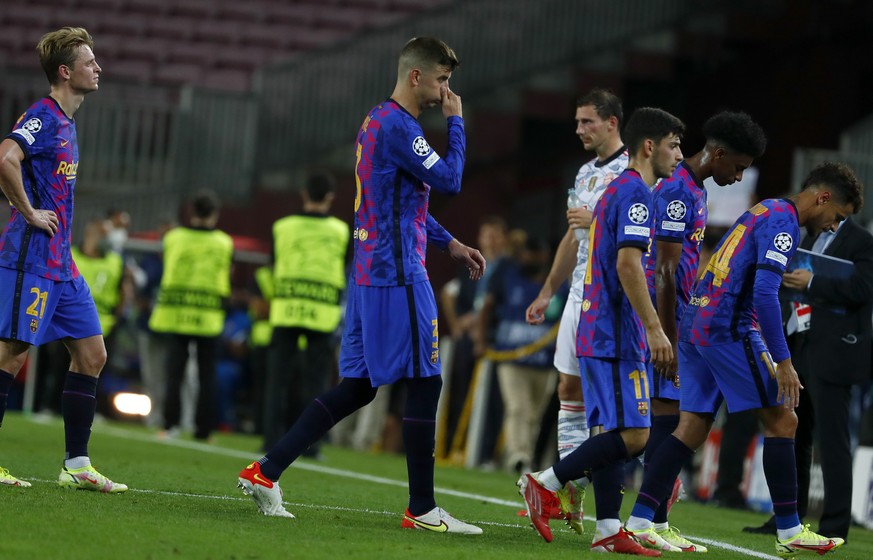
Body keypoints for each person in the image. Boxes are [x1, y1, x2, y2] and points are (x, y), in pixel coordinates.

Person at [236, 36, 486, 534]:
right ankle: (422, 508)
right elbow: (452, 179)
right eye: (442, 79)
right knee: (425, 379)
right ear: (416, 76)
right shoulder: (400, 126)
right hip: (397, 273)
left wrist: (450, 242)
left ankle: (265, 471)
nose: (446, 89)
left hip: (370, 272)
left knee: (359, 386)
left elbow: (400, 205)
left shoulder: (376, 122)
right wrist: (457, 123)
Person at [622, 162, 861, 557]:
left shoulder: (765, 208)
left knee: (692, 428)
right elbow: (766, 292)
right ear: (823, 198)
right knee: (784, 419)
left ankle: (641, 520)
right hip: (729, 328)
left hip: (698, 320)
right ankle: (789, 529)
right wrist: (783, 362)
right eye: (837, 216)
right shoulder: (784, 223)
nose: (835, 226)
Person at [519, 107, 684, 554]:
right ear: (649, 146)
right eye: (674, 145)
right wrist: (654, 328)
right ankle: (545, 481)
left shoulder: (618, 190)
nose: (679, 155)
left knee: (611, 430)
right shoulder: (635, 195)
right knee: (635, 435)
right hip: (614, 331)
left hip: (601, 327)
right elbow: (628, 263)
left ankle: (608, 528)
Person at [0, 27, 127, 492]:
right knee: (11, 357)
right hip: (30, 259)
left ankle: (76, 465)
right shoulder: (44, 116)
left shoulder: (68, 122)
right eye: (90, 62)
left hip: (62, 264)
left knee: (92, 354)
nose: (98, 68)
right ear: (65, 71)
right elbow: (5, 158)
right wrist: (28, 211)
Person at [640, 111, 767, 551]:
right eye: (738, 165)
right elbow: (664, 271)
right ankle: (644, 519)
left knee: (666, 419)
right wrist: (668, 337)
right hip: (663, 322)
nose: (740, 175)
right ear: (718, 153)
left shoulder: (692, 189)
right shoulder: (678, 190)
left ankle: (651, 519)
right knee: (666, 420)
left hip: (670, 321)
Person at [524, 88, 628, 533]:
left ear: (612, 123)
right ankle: (568, 491)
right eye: (577, 122)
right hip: (577, 295)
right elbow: (572, 237)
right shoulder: (585, 172)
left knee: (606, 405)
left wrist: (597, 221)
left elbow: (636, 233)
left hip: (609, 298)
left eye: (587, 121)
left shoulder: (633, 174)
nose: (579, 129)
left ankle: (573, 487)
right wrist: (548, 289)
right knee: (568, 388)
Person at [772, 212, 873, 542]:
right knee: (795, 434)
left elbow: (862, 287)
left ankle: (835, 524)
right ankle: (790, 517)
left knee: (833, 441)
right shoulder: (812, 238)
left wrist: (812, 283)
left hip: (834, 352)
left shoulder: (862, 241)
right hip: (801, 344)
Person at [261, 171, 349, 455]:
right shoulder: (340, 230)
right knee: (317, 384)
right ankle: (310, 444)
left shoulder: (282, 226)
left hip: (286, 310)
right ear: (330, 197)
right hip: (321, 314)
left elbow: (273, 264)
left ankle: (271, 440)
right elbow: (345, 268)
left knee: (278, 380)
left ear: (304, 194)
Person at [149, 190, 233, 441]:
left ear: (192, 211)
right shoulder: (224, 242)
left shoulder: (174, 237)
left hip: (176, 312)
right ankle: (204, 430)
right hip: (208, 315)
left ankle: (170, 425)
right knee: (208, 375)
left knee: (175, 373)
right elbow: (227, 273)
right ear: (215, 214)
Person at [478, 236, 564, 474]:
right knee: (518, 408)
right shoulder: (508, 276)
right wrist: (481, 340)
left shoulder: (558, 284)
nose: (529, 259)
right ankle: (518, 457)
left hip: (546, 361)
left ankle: (526, 458)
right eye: (526, 253)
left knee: (535, 414)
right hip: (511, 358)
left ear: (545, 257)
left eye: (534, 254)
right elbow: (487, 307)